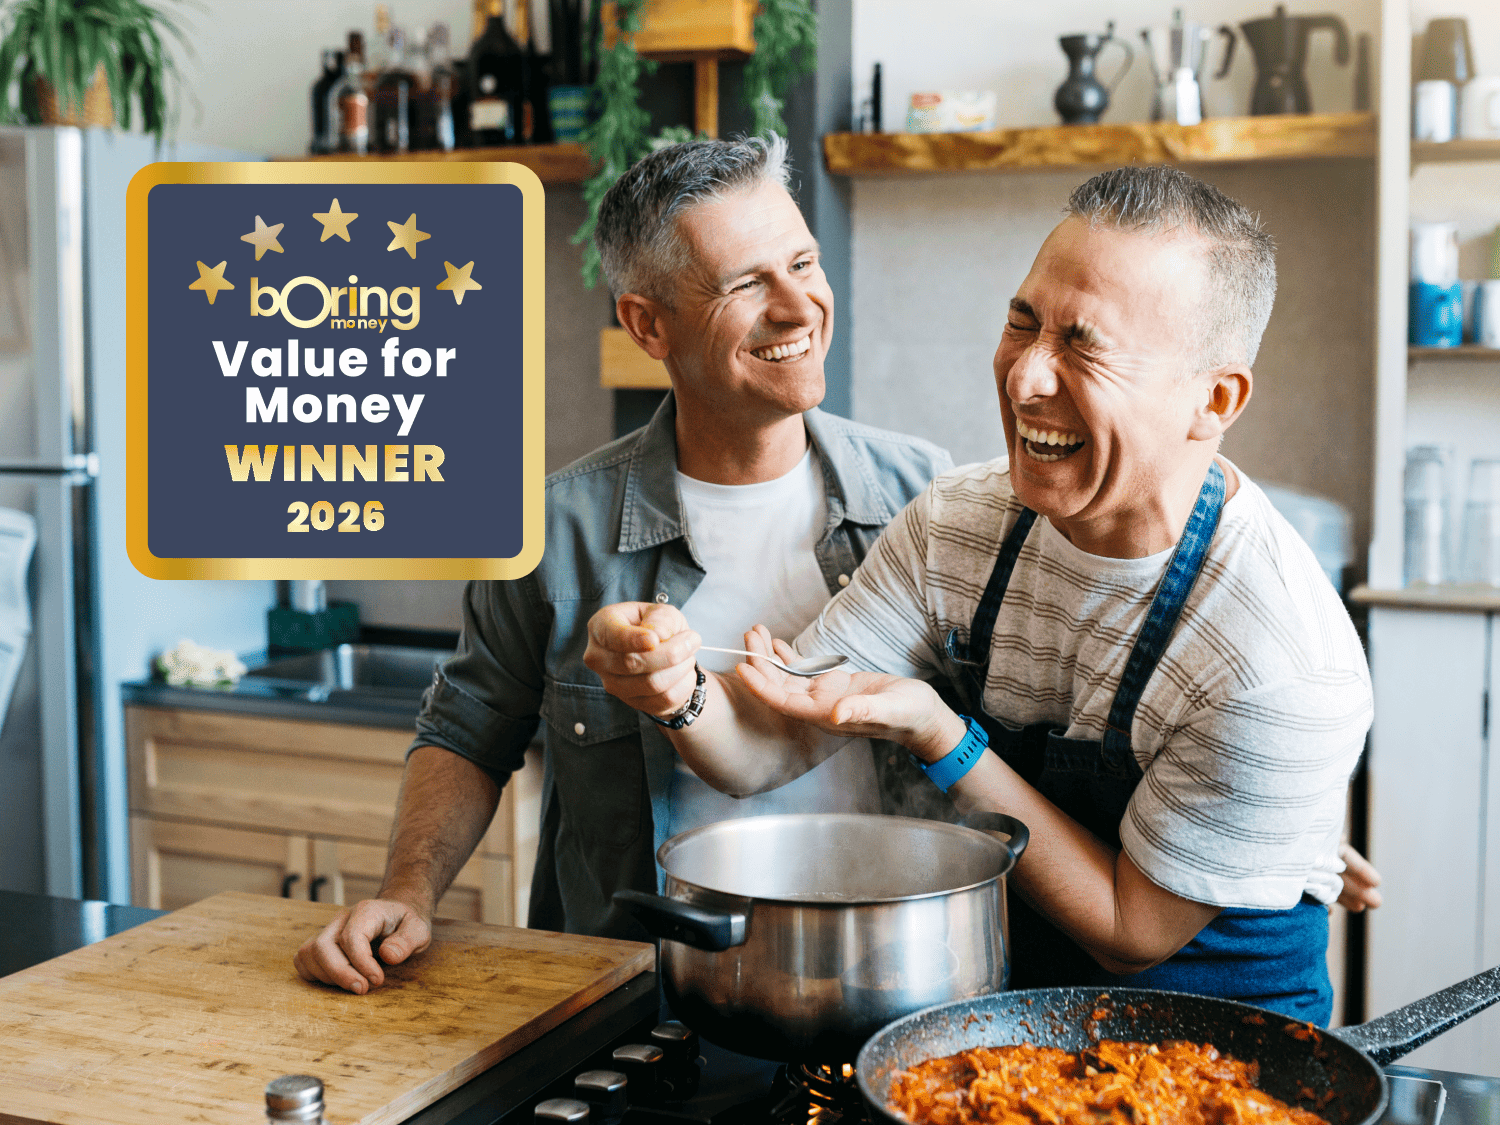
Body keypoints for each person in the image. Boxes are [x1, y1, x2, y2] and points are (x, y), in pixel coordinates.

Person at [584, 165, 1378, 1024]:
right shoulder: (958, 525)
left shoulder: (1280, 660)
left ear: (1212, 399)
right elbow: (769, 743)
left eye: (1083, 343)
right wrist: (677, 693)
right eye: (1021, 322)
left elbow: (1129, 928)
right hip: (1003, 1032)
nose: (1025, 377)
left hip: (1213, 1053)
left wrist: (943, 736)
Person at [292, 135, 952, 994]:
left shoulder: (928, 495)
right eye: (748, 283)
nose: (799, 306)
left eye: (804, 262)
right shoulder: (547, 529)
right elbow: (466, 729)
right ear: (647, 323)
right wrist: (407, 891)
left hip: (888, 984)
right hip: (639, 999)